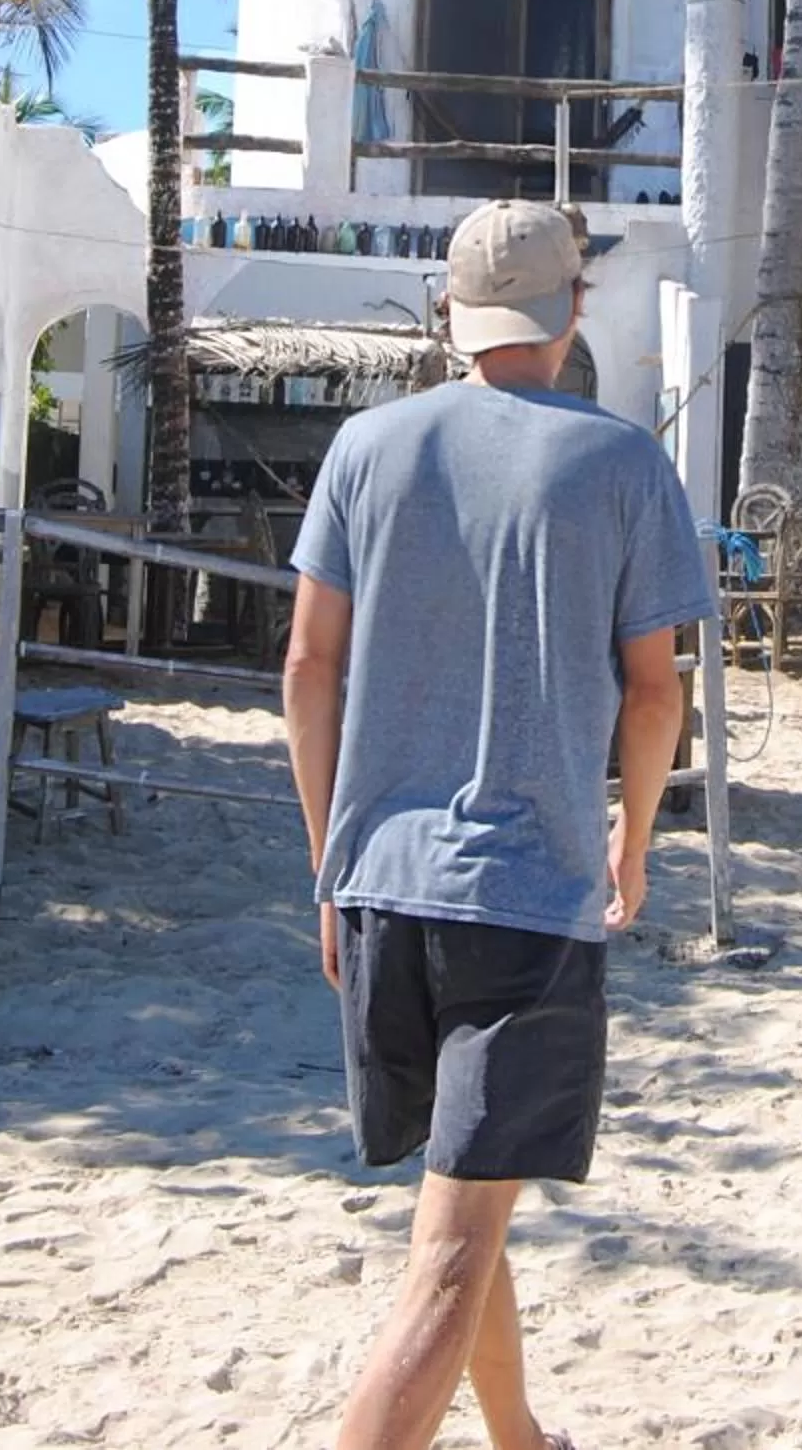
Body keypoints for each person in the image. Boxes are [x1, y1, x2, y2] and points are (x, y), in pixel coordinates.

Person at [283, 198, 710, 1450]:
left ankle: (522, 1436)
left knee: (457, 1207)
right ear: (574, 310)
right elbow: (655, 687)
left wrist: (328, 866)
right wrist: (632, 842)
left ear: (452, 316)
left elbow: (308, 669)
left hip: (381, 888)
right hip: (525, 894)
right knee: (456, 1248)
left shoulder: (366, 445)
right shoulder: (623, 463)